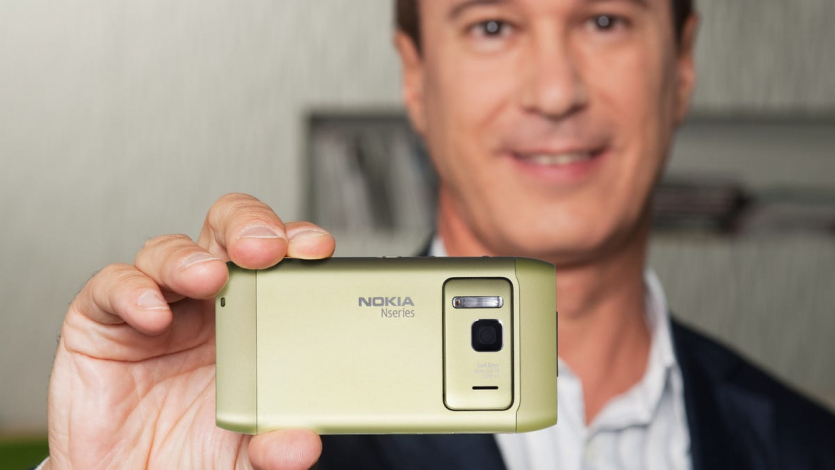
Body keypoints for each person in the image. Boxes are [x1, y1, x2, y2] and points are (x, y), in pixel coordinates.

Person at [36, 0, 835, 469]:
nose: (554, 91)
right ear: (414, 75)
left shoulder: (811, 447)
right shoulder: (256, 437)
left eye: (603, 19)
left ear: (682, 63)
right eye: (491, 25)